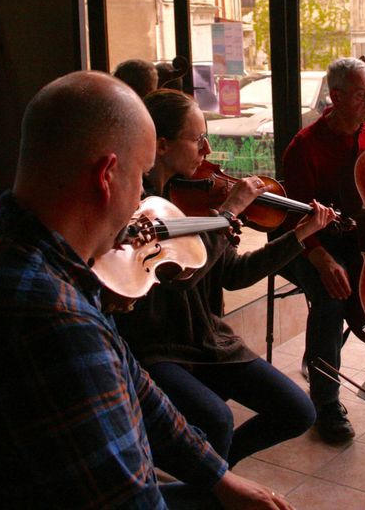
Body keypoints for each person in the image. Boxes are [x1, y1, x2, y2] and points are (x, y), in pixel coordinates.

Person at [0, 71, 294, 509]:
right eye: (140, 177)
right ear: (107, 176)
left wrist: (221, 480)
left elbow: (136, 384)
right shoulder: (53, 318)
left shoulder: (17, 247)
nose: (143, 205)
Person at [116, 88, 333, 467]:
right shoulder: (138, 208)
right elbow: (180, 277)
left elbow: (234, 274)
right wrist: (228, 214)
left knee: (299, 411)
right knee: (216, 419)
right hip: (157, 347)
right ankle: (209, 481)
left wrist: (298, 236)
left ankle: (212, 475)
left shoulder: (199, 203)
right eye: (198, 138)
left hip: (207, 340)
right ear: (162, 146)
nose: (207, 151)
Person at [278, 58, 365, 443]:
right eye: (362, 95)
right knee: (331, 297)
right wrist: (323, 260)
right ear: (336, 97)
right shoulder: (304, 147)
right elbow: (295, 222)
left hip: (360, 241)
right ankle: (325, 403)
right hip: (310, 244)